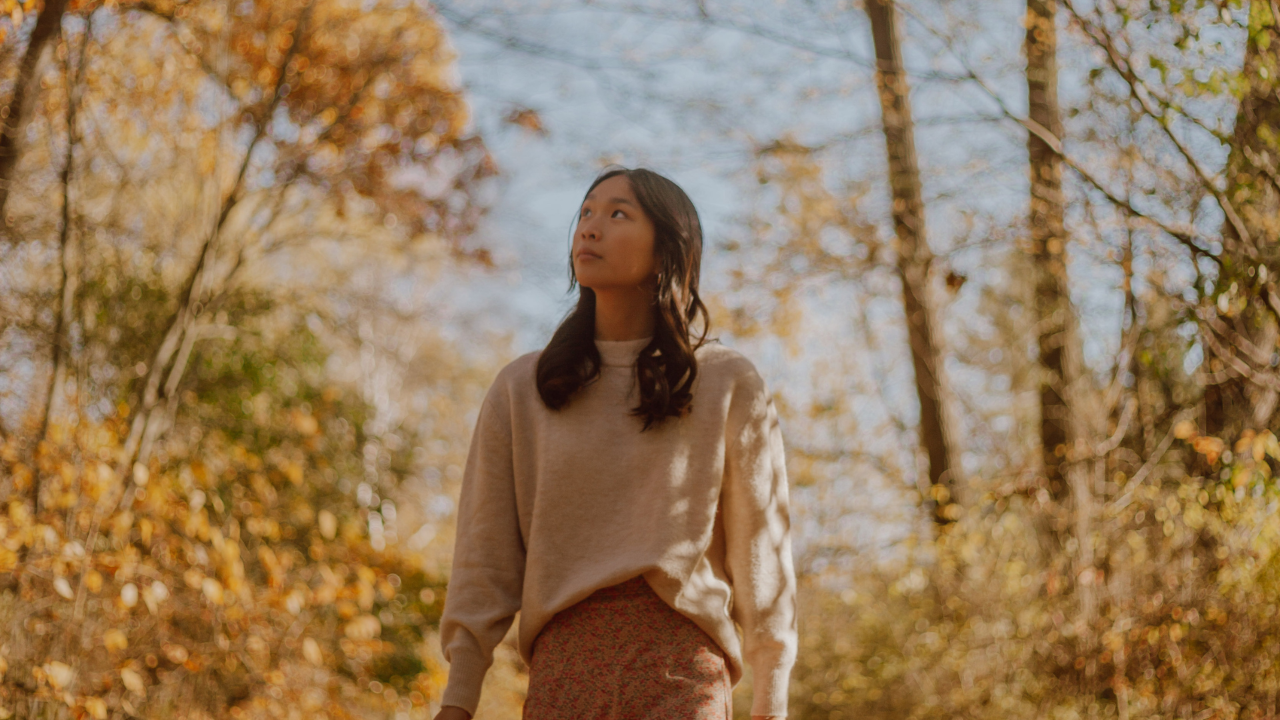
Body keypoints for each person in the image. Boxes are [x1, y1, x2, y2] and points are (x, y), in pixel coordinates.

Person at [433, 167, 796, 720]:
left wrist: (771, 704)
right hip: (563, 674)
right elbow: (484, 557)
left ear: (668, 248)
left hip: (684, 672)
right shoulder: (522, 388)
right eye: (585, 212)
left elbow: (762, 553)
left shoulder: (726, 381)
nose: (590, 227)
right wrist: (458, 698)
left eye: (618, 213)